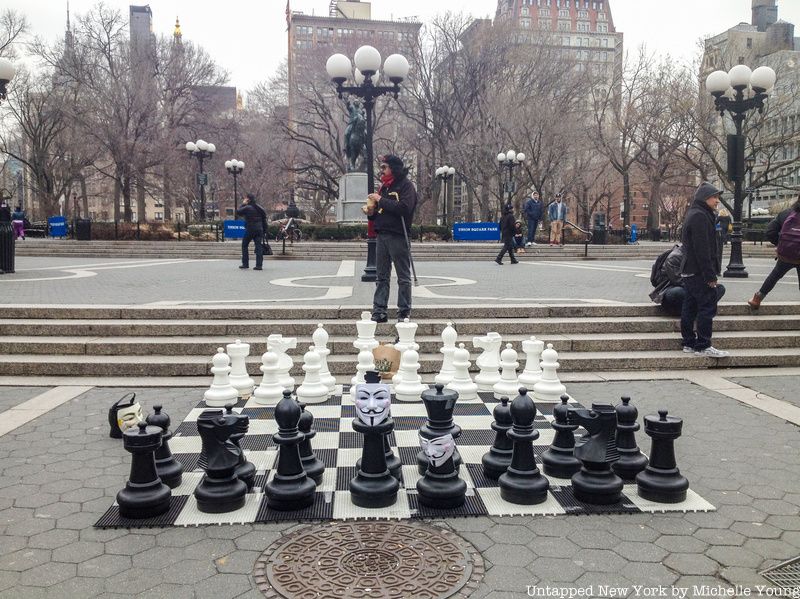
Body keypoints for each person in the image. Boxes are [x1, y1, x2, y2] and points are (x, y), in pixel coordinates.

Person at [366, 154, 418, 323]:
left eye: (384, 167)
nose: (381, 171)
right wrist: (372, 214)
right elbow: (381, 213)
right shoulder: (384, 187)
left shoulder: (406, 186)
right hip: (382, 235)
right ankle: (379, 310)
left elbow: (404, 208)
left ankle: (404, 312)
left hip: (398, 235)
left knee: (403, 276)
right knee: (381, 276)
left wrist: (381, 200)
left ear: (393, 168)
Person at [680, 182, 728, 358]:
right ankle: (703, 345)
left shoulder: (695, 213)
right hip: (698, 271)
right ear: (705, 198)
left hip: (689, 270)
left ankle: (688, 343)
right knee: (707, 307)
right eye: (715, 197)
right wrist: (710, 275)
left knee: (690, 306)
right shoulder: (700, 216)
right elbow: (703, 249)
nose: (717, 201)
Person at [748, 195, 800, 309]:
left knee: (775, 275)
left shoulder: (786, 213)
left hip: (786, 256)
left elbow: (770, 231)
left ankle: (757, 299)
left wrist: (780, 245)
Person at [649, 244, 686, 316]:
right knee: (679, 292)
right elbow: (678, 280)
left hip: (688, 286)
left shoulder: (692, 256)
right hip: (668, 289)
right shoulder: (675, 257)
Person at [235, 193, 267, 271]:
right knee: (258, 247)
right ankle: (259, 265)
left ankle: (245, 264)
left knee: (244, 245)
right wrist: (264, 230)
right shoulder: (260, 208)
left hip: (250, 229)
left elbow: (238, 212)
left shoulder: (247, 208)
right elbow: (264, 219)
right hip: (259, 229)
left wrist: (243, 204)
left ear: (248, 199)